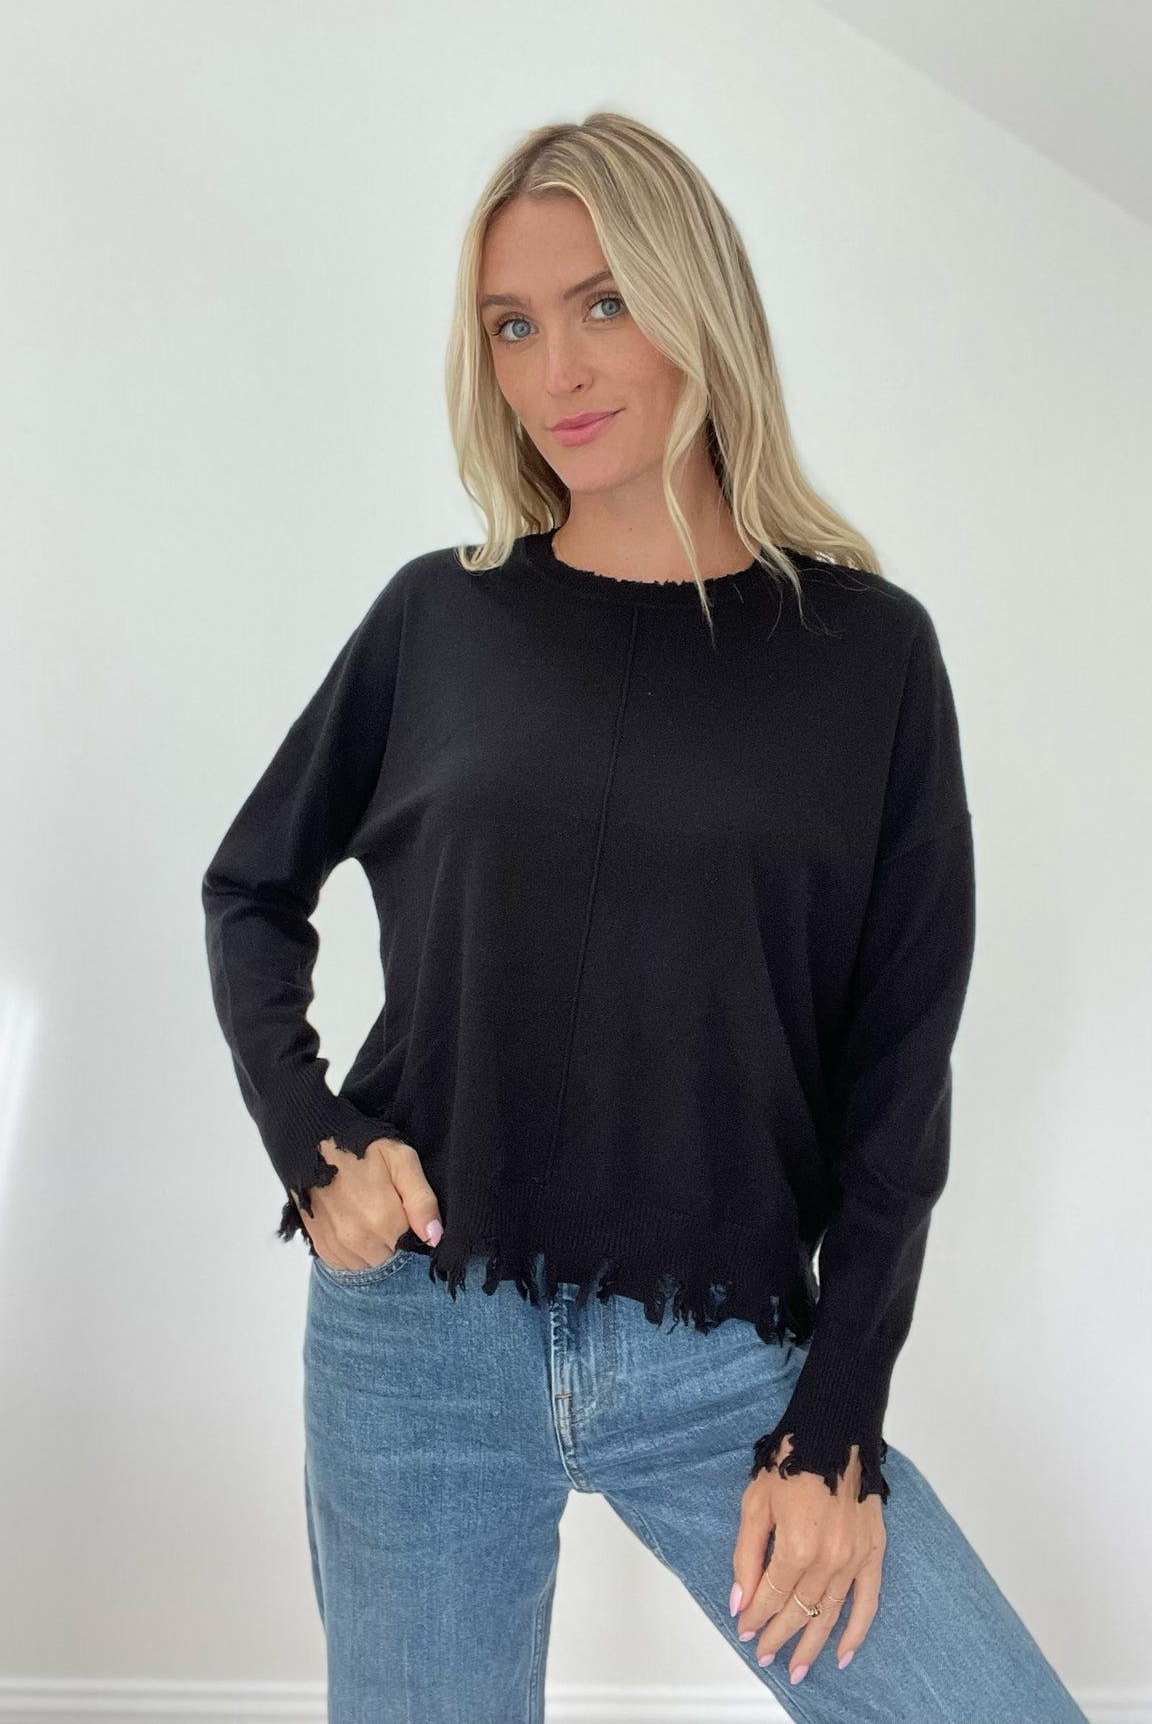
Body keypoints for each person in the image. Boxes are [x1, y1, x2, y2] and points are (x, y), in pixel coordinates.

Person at [201, 110, 1088, 1722]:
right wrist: (313, 1142)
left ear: (698, 303)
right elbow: (250, 888)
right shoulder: (438, 618)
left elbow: (899, 1082)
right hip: (420, 1345)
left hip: (724, 1363)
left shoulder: (870, 658)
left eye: (603, 303)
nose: (559, 371)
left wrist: (838, 1422)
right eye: (512, 327)